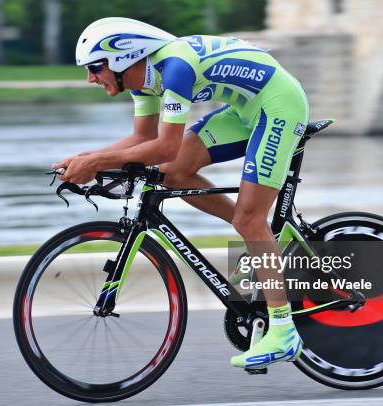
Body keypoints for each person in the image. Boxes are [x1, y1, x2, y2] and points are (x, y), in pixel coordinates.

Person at [53, 17, 309, 369]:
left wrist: (97, 162)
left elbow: (166, 146)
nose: (90, 78)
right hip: (244, 110)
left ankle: (284, 330)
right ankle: (260, 241)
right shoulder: (143, 81)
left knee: (249, 219)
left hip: (279, 104)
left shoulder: (174, 67)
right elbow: (144, 140)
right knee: (174, 177)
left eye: (95, 67)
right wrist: (87, 158)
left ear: (124, 57)